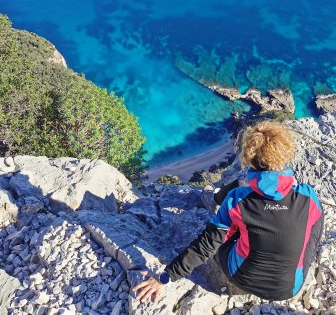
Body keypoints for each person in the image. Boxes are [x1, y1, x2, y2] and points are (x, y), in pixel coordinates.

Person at [133, 121, 324, 303]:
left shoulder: (238, 199)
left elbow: (206, 245)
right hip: (289, 288)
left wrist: (165, 278)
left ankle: (212, 199)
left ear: (250, 157)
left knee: (227, 228)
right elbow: (314, 236)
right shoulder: (309, 197)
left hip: (241, 277)